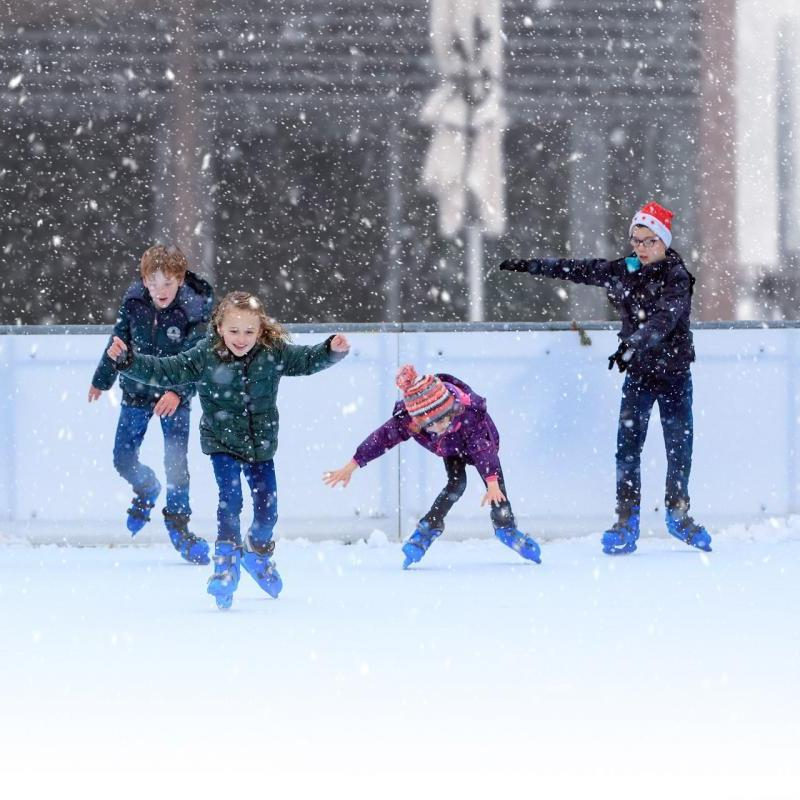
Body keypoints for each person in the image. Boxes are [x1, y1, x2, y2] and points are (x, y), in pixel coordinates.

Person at [107, 290, 350, 609]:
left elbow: (305, 360)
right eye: (234, 331)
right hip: (222, 443)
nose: (241, 338)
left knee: (268, 510)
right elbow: (166, 370)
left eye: (249, 331)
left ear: (260, 330)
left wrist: (330, 350)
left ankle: (257, 552)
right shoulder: (204, 355)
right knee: (230, 500)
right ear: (220, 328)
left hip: (261, 444)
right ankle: (225, 562)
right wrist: (128, 362)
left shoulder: (271, 352)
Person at [499, 201, 712, 555]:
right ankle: (626, 522)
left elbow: (664, 320)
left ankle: (678, 516)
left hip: (674, 376)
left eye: (649, 241)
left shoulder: (677, 278)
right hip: (640, 377)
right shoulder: (624, 270)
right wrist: (532, 265)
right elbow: (579, 269)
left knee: (679, 449)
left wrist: (632, 345)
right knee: (627, 449)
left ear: (664, 242)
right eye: (636, 240)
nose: (641, 249)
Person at [323, 364, 541, 568]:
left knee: (497, 490)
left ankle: (506, 527)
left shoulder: (468, 416)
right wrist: (353, 464)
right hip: (451, 448)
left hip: (480, 443)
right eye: (430, 424)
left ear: (451, 410)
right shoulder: (411, 420)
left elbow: (482, 449)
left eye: (442, 420)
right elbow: (382, 438)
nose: (438, 428)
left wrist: (491, 480)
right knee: (456, 485)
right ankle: (428, 529)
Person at [89, 244, 213, 564]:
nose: (160, 290)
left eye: (168, 283)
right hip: (136, 392)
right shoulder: (133, 303)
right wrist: (102, 380)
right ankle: (146, 488)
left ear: (181, 280)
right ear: (144, 281)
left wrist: (178, 393)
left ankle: (179, 525)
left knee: (176, 464)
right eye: (153, 283)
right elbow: (118, 342)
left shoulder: (193, 310)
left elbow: (198, 360)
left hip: (175, 398)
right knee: (122, 457)